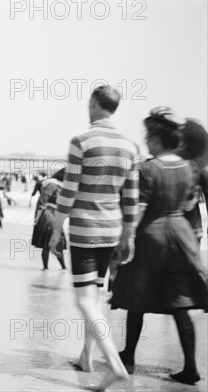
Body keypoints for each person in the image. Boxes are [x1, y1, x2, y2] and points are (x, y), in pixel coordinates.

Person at [110, 107, 208, 386]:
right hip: (181, 234)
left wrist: (125, 241)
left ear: (156, 139)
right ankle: (190, 367)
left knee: (135, 299)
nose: (147, 141)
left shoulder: (149, 168)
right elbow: (190, 203)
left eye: (149, 136)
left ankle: (128, 354)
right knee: (181, 304)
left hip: (151, 235)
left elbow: (138, 209)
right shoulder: (189, 168)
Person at [49, 85, 136, 390]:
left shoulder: (81, 141)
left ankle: (114, 365)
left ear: (94, 103)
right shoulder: (130, 146)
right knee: (95, 298)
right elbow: (131, 198)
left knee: (85, 300)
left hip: (85, 230)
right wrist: (129, 237)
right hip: (113, 231)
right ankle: (86, 356)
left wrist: (57, 228)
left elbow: (69, 190)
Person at [31, 168, 66, 270]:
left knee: (55, 243)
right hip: (48, 215)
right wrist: (37, 218)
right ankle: (49, 268)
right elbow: (42, 202)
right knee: (49, 243)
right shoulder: (52, 184)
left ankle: (58, 267)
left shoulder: (57, 185)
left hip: (54, 215)